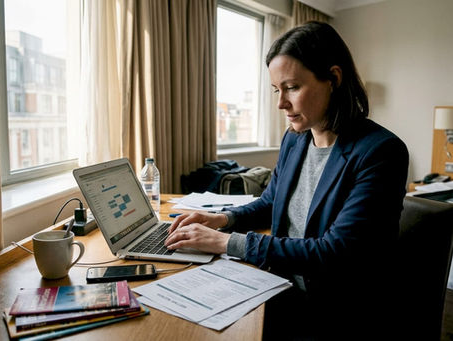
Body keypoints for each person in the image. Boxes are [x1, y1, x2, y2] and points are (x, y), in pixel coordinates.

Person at [166, 21, 408, 339]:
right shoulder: (296, 140)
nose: (281, 103)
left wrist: (227, 242)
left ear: (334, 78)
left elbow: (333, 253)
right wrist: (221, 219)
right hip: (278, 284)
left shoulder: (381, 152)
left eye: (292, 87)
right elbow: (270, 204)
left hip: (333, 309)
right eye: (276, 90)